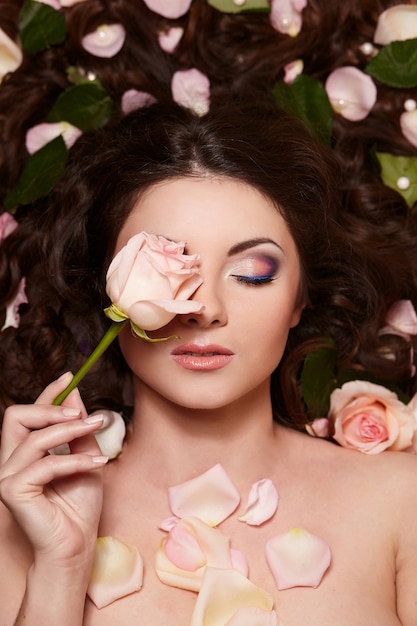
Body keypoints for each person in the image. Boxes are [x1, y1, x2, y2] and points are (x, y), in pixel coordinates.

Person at [0, 0, 417, 624]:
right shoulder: (24, 517)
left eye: (253, 272)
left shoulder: (399, 501)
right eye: (169, 266)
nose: (206, 309)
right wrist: (60, 564)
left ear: (301, 296)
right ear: (106, 285)